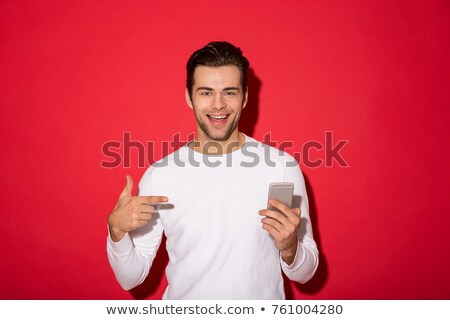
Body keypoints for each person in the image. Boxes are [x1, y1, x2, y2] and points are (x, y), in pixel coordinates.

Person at [106, 41, 319, 299]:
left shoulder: (282, 167)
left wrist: (289, 247)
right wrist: (116, 232)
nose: (218, 104)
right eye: (206, 92)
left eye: (229, 92)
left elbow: (306, 274)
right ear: (189, 96)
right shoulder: (160, 175)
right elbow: (131, 277)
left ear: (245, 97)